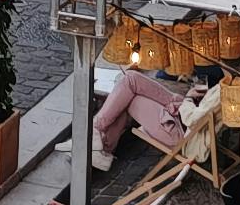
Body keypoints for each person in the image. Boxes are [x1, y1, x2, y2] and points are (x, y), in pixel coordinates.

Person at [93, 63, 223, 174]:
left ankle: (99, 139)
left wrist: (188, 98)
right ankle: (99, 141)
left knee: (127, 98)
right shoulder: (228, 85)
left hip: (179, 133)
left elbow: (191, 119)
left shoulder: (224, 93)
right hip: (180, 113)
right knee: (131, 78)